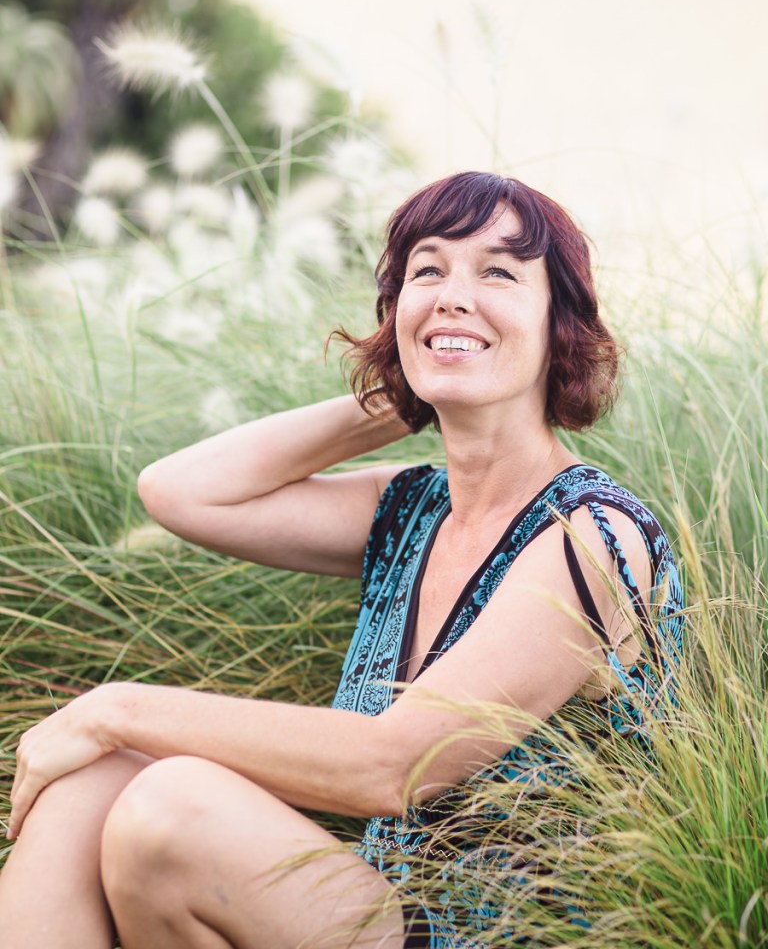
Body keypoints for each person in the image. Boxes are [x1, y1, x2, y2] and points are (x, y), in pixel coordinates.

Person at [0, 171, 683, 948]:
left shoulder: (593, 534)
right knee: (94, 779)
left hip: (508, 936)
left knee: (171, 803)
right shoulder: (414, 509)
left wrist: (112, 706)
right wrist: (406, 388)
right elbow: (181, 492)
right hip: (379, 913)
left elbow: (392, 767)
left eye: (498, 271)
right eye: (427, 272)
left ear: (560, 323)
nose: (452, 295)